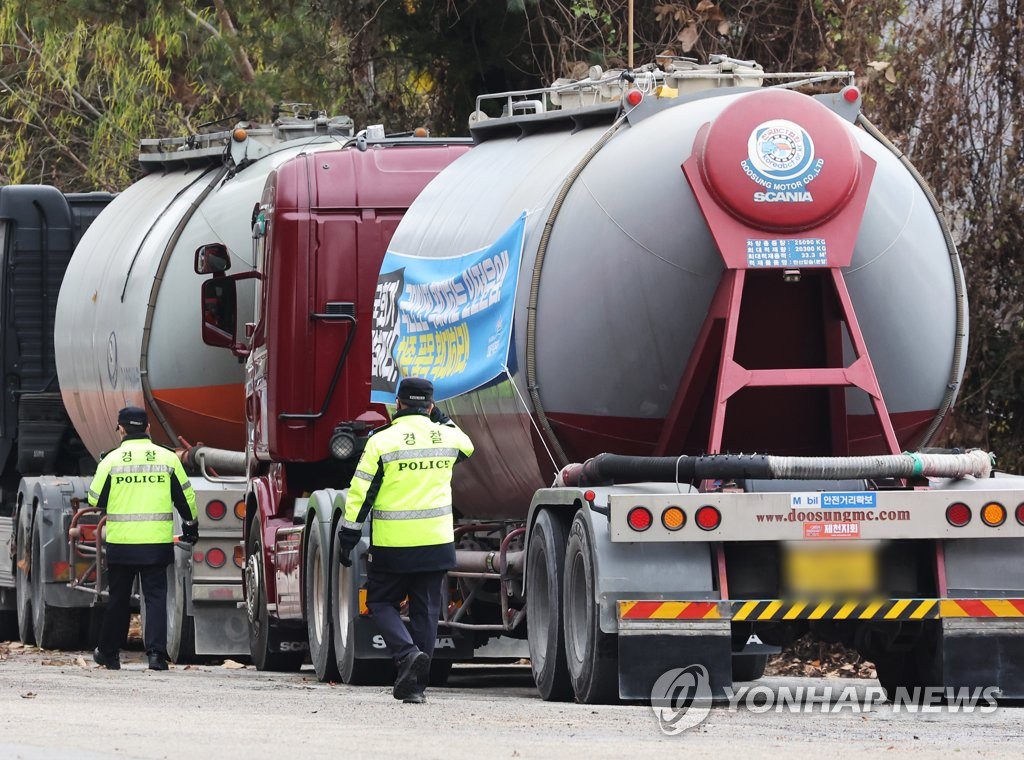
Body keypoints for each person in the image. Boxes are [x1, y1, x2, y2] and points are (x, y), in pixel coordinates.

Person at [338, 377, 474, 704]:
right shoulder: (447, 437)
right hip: (436, 543)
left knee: (380, 603)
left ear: (397, 404)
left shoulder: (382, 441)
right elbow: (467, 445)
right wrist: (437, 417)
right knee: (425, 612)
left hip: (394, 544)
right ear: (430, 405)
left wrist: (348, 534)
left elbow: (361, 493)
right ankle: (415, 688)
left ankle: (407, 654)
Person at [88, 406, 198, 671]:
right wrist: (191, 527)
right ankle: (156, 656)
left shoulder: (111, 460)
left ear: (121, 429)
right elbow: (186, 498)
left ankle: (109, 654)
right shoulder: (168, 458)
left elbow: (95, 499)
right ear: (148, 428)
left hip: (122, 543)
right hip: (155, 543)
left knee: (118, 599)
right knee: (156, 597)